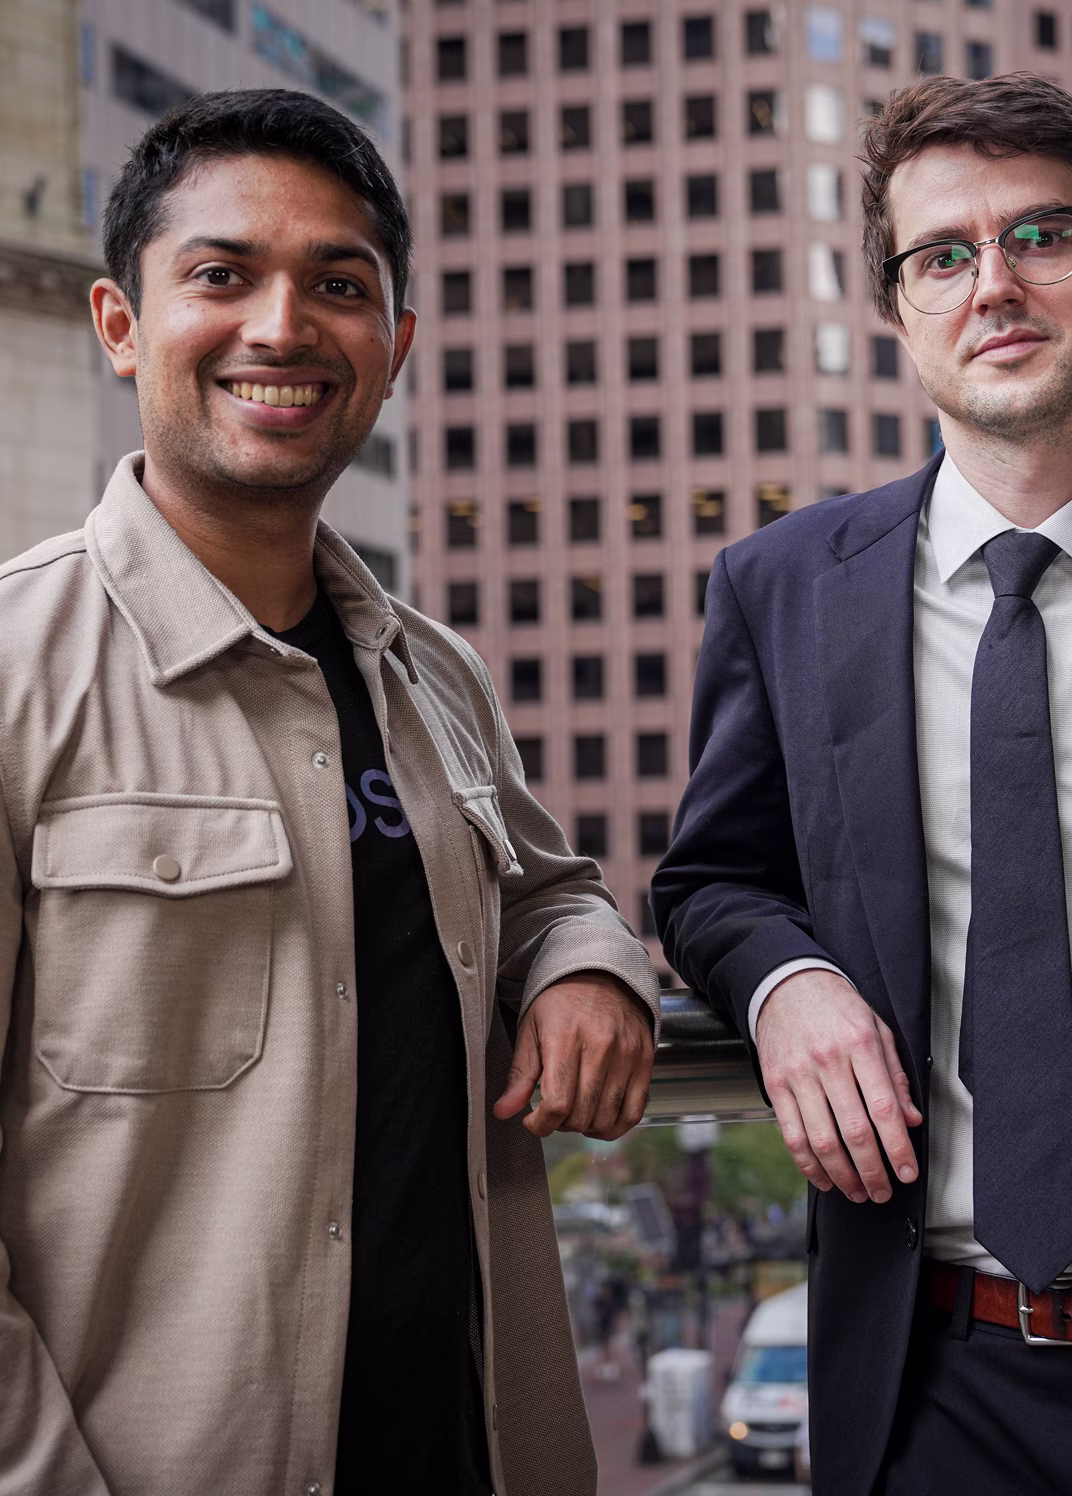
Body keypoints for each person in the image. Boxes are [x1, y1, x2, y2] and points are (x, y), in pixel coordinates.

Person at [0, 90, 659, 1496]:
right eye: (223, 275)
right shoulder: (14, 675)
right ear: (120, 324)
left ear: (395, 346)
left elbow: (547, 888)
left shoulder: (438, 675)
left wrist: (588, 968)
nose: (283, 327)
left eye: (340, 286)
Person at [652, 72, 1072, 1496]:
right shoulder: (781, 588)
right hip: (937, 1387)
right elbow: (710, 880)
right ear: (899, 305)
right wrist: (784, 985)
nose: (996, 286)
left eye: (1044, 236)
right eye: (942, 255)